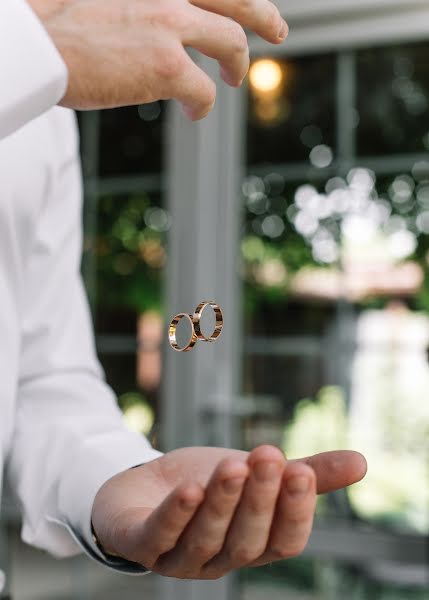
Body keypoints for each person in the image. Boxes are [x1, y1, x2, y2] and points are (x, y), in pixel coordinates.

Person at [0, 0, 367, 586]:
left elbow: (42, 378)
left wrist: (118, 479)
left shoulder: (47, 117)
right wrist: (23, 49)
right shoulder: (41, 60)